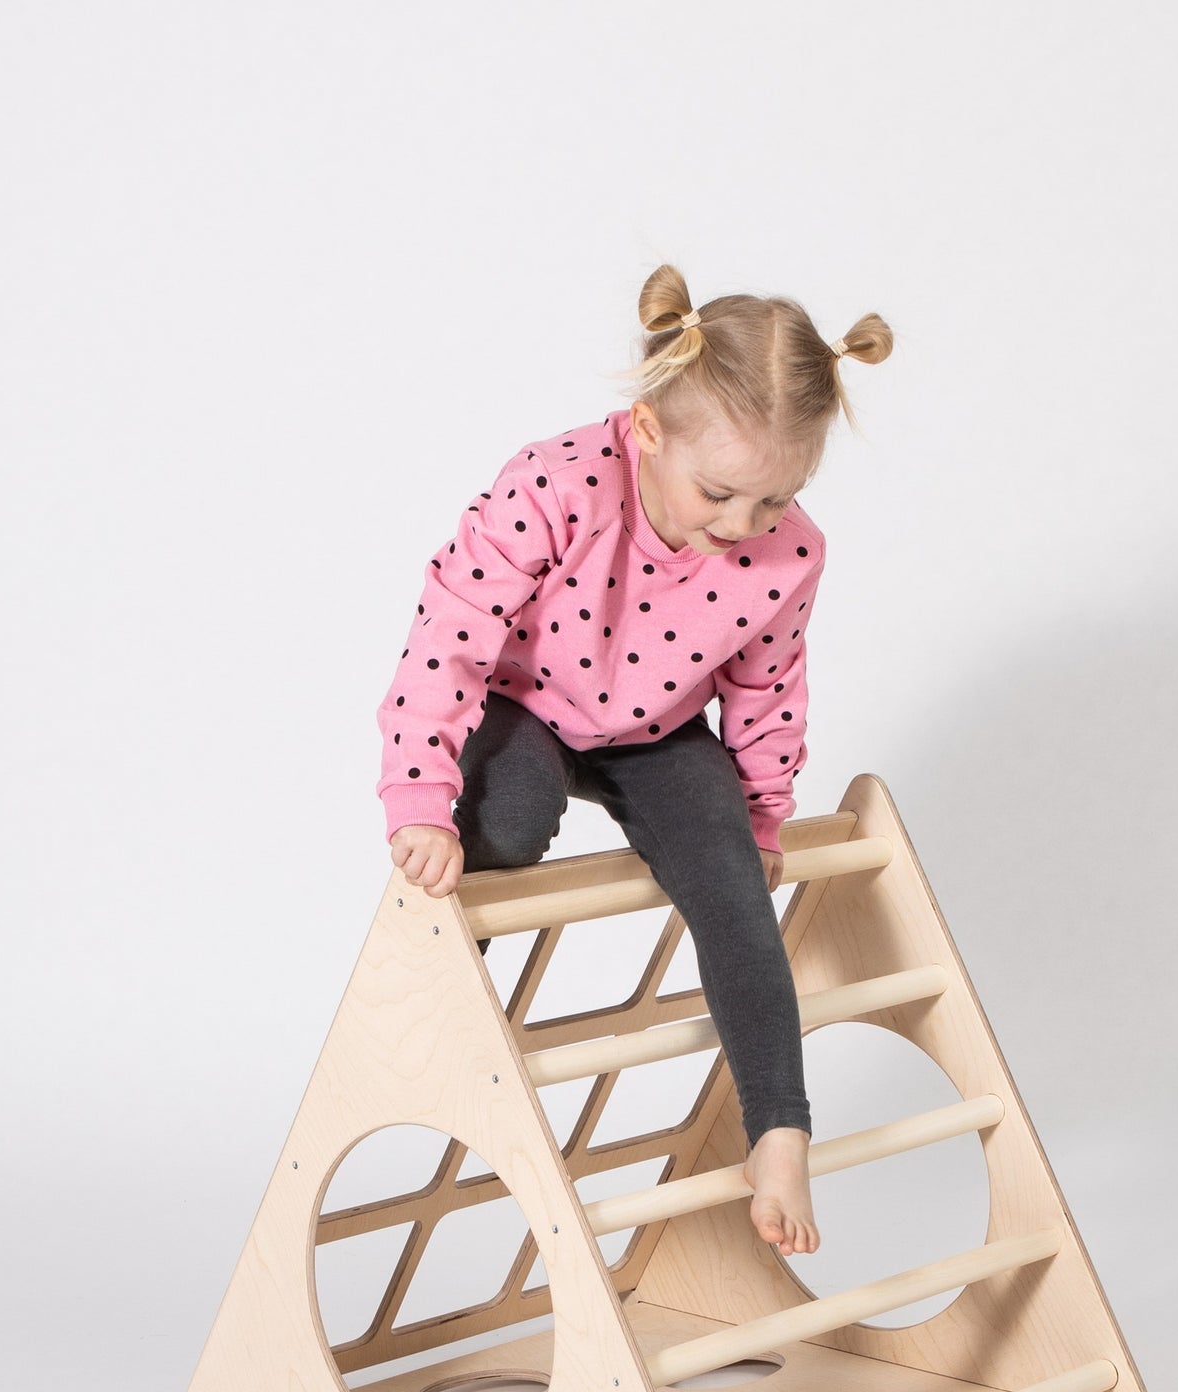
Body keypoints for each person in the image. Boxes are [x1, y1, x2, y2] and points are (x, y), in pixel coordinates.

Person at [376, 263, 892, 1259]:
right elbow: (453, 627)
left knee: (735, 885)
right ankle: (439, 1014)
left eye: (776, 497)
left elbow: (766, 686)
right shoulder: (557, 482)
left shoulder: (788, 553)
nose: (741, 526)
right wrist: (418, 797)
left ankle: (778, 1131)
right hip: (523, 705)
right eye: (719, 494)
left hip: (658, 735)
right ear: (648, 433)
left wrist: (761, 810)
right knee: (511, 821)